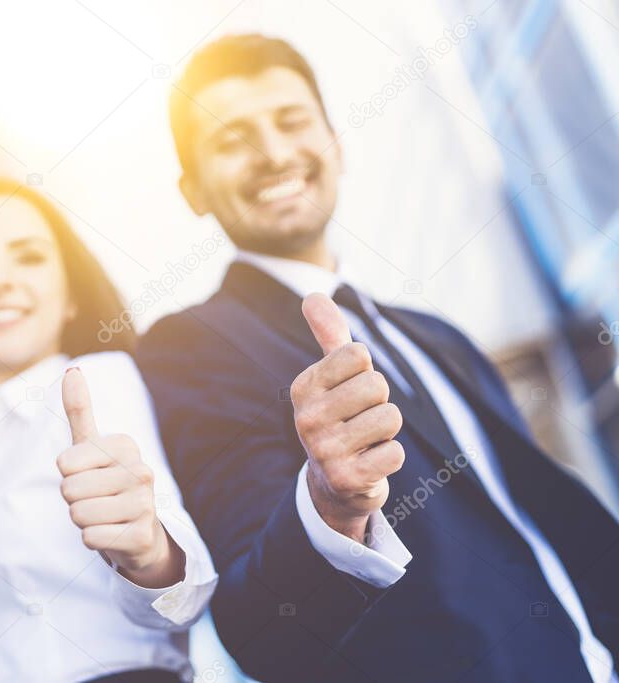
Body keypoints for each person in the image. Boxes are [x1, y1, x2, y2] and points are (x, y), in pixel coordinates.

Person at [113, 34, 618, 682]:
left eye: (292, 122)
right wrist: (329, 508)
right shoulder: (193, 347)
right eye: (232, 139)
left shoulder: (438, 336)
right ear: (193, 191)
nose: (273, 152)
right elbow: (262, 623)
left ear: (336, 146)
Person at [0, 178, 217, 683]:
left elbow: (183, 594)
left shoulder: (93, 383)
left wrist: (149, 550)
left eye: (28, 257)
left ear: (70, 299)